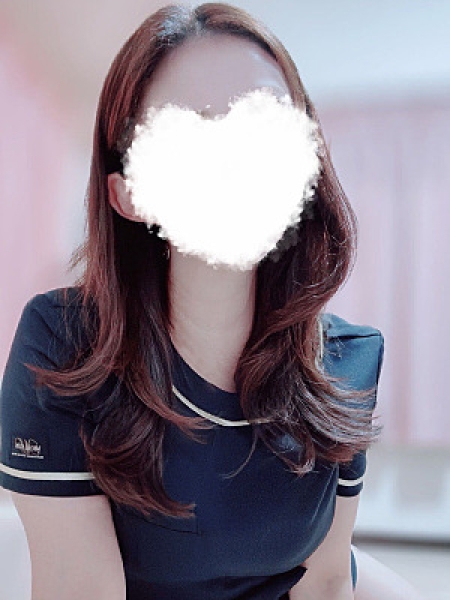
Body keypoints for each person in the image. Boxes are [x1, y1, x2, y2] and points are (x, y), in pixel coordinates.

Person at [0, 3, 426, 599]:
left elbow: (327, 577)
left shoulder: (347, 358)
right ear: (127, 194)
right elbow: (82, 588)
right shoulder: (65, 347)